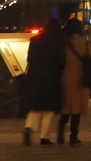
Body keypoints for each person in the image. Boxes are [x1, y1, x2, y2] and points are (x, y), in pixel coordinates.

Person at [22, 17, 67, 147]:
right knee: (48, 109)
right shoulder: (58, 41)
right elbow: (62, 62)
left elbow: (29, 59)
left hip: (35, 77)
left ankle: (28, 127)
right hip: (51, 78)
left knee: (35, 106)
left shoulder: (35, 40)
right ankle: (44, 137)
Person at [58, 18, 91, 146]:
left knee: (67, 106)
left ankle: (60, 132)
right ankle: (74, 136)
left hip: (66, 77)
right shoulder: (86, 42)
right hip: (81, 77)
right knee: (77, 107)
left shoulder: (64, 42)